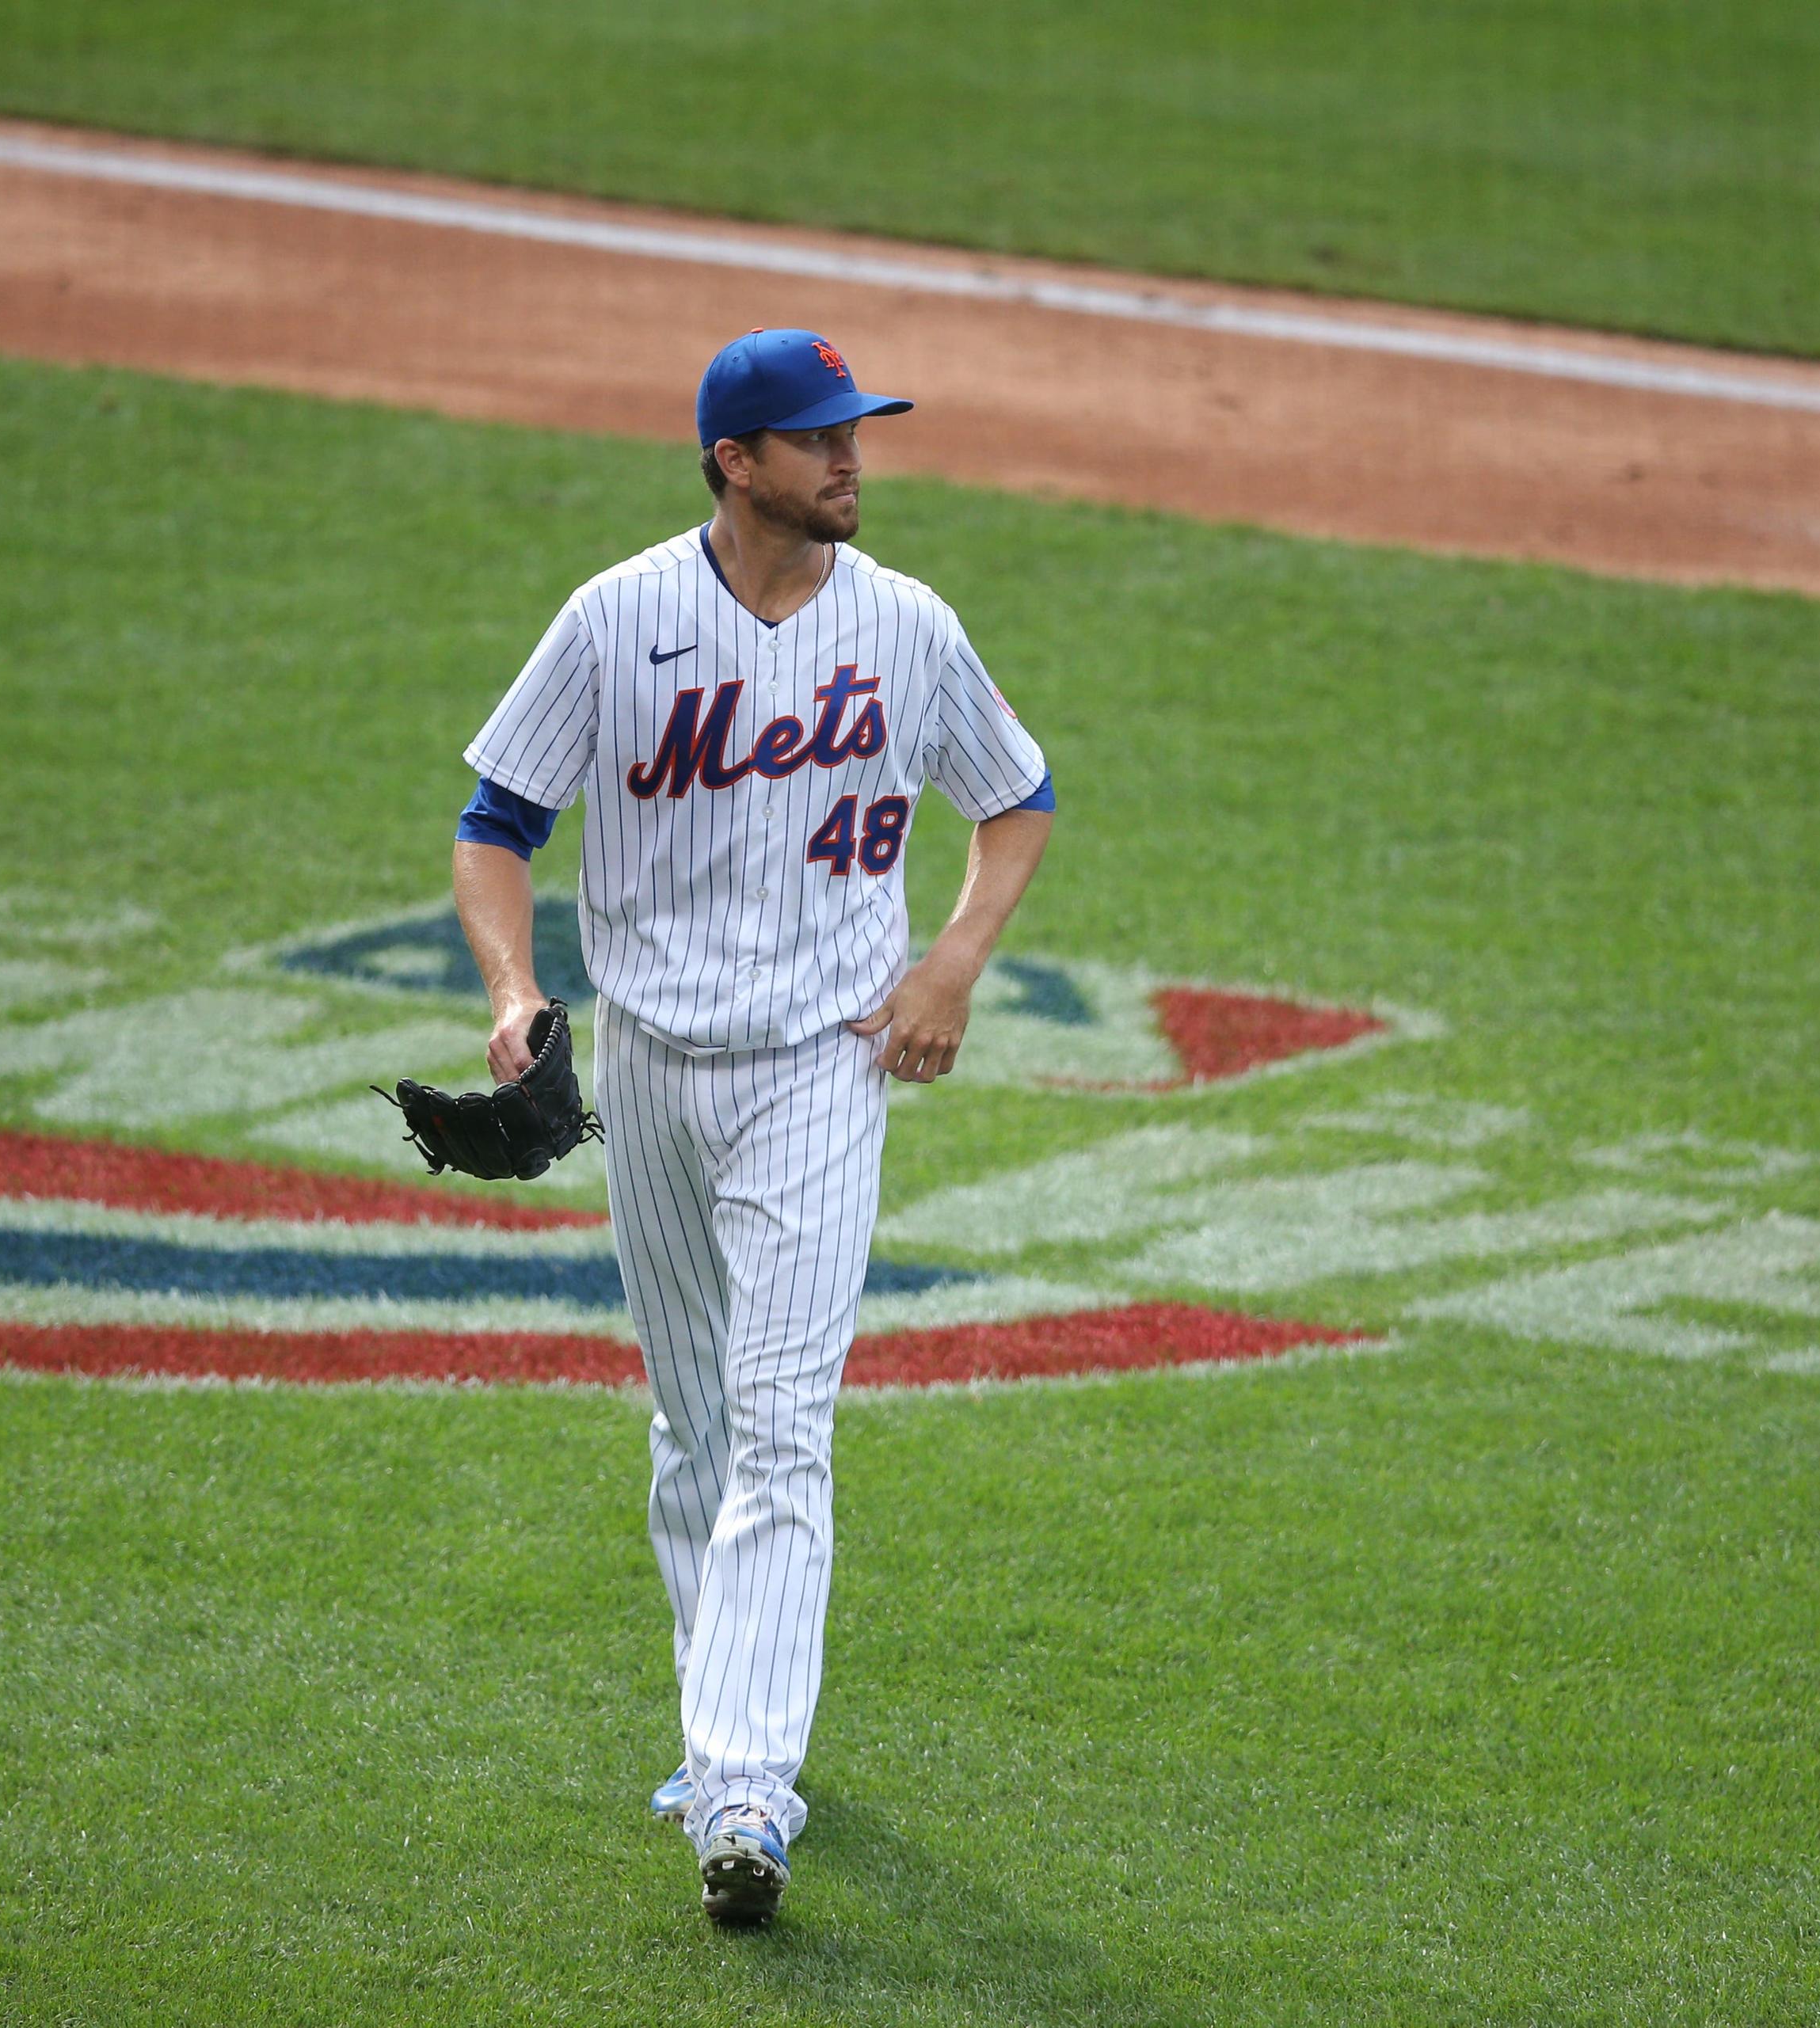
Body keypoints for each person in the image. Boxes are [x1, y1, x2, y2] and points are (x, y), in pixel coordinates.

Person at [448, 328, 1055, 1924]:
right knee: (696, 1426)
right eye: (818, 439)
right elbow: (495, 824)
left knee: (783, 1429)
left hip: (823, 1066)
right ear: (733, 458)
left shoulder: (909, 627)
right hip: (650, 1062)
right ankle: (718, 1738)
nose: (852, 461)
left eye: (857, 434)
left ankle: (740, 1793)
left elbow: (1019, 795)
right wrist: (514, 990)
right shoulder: (616, 618)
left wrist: (953, 962)